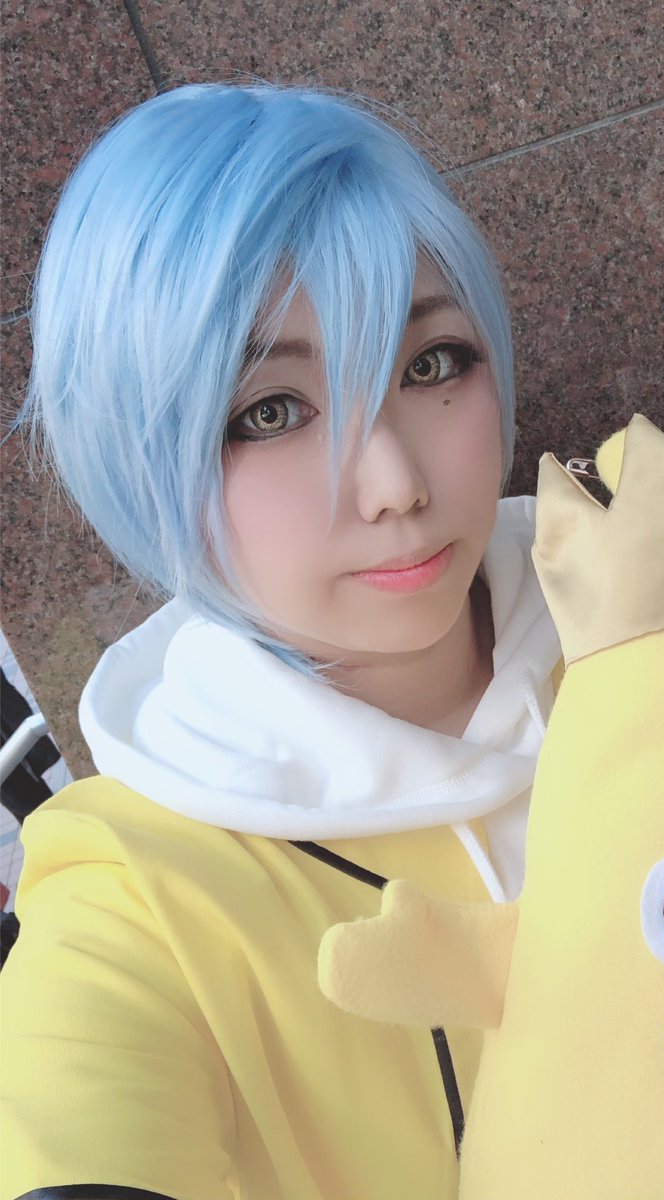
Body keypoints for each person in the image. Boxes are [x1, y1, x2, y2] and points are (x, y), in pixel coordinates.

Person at [0, 82, 561, 1200]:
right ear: (141, 461)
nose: (395, 484)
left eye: (430, 364)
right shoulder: (135, 893)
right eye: (270, 412)